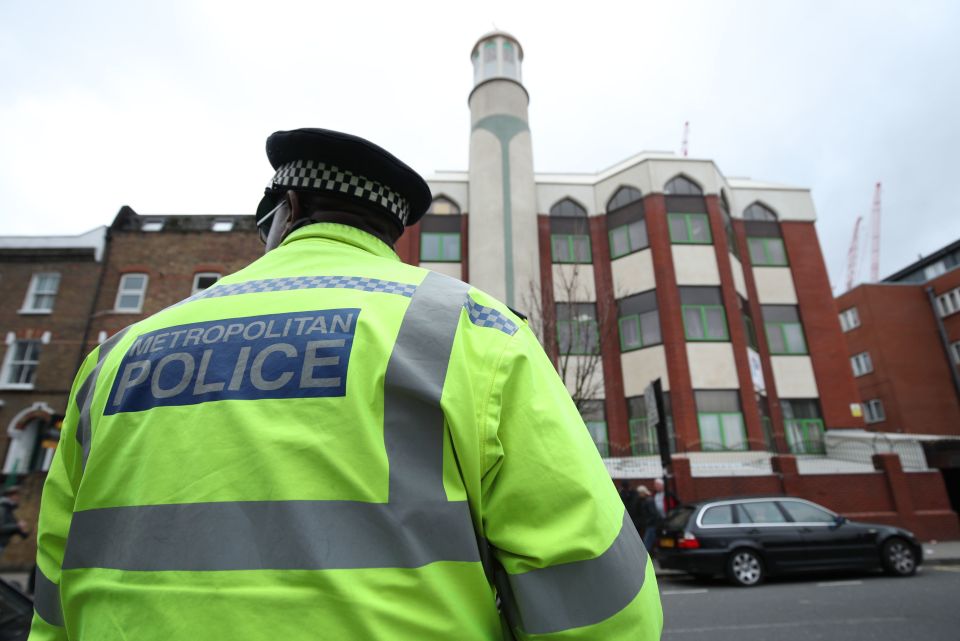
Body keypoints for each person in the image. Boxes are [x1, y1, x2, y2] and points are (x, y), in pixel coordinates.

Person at [28, 128, 662, 641]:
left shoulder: (116, 356)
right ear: (389, 234)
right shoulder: (475, 333)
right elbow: (605, 605)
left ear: (288, 212)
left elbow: (53, 592)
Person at [0, 486, 30, 557]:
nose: (18, 498)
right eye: (16, 495)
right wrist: (18, 526)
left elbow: (10, 527)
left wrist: (23, 533)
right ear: (10, 496)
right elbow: (1, 528)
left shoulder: (8, 509)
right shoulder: (2, 509)